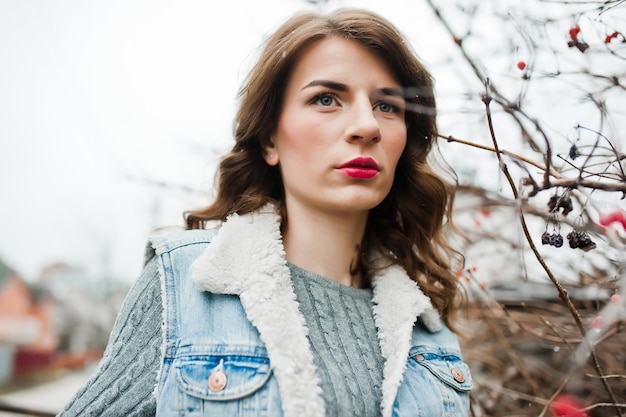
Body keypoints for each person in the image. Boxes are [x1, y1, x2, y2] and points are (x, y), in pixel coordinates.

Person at [58, 7, 472, 417]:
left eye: (387, 106)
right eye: (326, 99)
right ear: (270, 139)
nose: (367, 126)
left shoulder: (428, 325)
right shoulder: (185, 286)